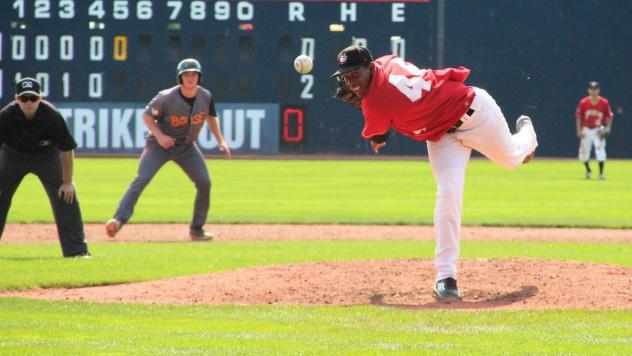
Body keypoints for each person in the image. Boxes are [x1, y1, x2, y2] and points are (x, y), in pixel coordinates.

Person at [331, 45, 538, 300]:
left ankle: (528, 135)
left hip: (474, 113)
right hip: (441, 137)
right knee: (448, 194)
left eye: (355, 75)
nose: (350, 83)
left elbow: (378, 135)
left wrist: (374, 126)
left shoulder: (375, 102)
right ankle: (446, 277)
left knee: (511, 159)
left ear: (370, 68)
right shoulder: (385, 62)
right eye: (346, 77)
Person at [105, 58, 231, 240]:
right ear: (180, 77)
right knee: (142, 178)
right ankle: (118, 220)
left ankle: (197, 229)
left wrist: (221, 141)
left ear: (199, 76)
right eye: (186, 74)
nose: (190, 77)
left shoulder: (206, 96)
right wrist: (160, 136)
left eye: (194, 74)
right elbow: (147, 115)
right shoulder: (166, 97)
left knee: (204, 182)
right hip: (159, 145)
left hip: (186, 146)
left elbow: (211, 117)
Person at [0, 77, 90, 258]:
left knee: (66, 196)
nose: (28, 103)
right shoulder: (6, 116)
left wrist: (68, 182)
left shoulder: (51, 115)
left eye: (33, 98)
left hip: (46, 157)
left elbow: (67, 149)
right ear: (17, 99)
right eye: (24, 98)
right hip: (13, 157)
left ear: (40, 98)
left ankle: (77, 251)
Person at [575, 81, 613, 180]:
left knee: (600, 151)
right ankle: (588, 170)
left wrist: (608, 127)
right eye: (592, 89)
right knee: (583, 154)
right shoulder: (583, 102)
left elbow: (609, 116)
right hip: (586, 130)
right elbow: (579, 117)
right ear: (588, 90)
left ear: (598, 90)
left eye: (595, 89)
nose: (593, 91)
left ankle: (601, 174)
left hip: (598, 130)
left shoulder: (604, 102)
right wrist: (579, 130)